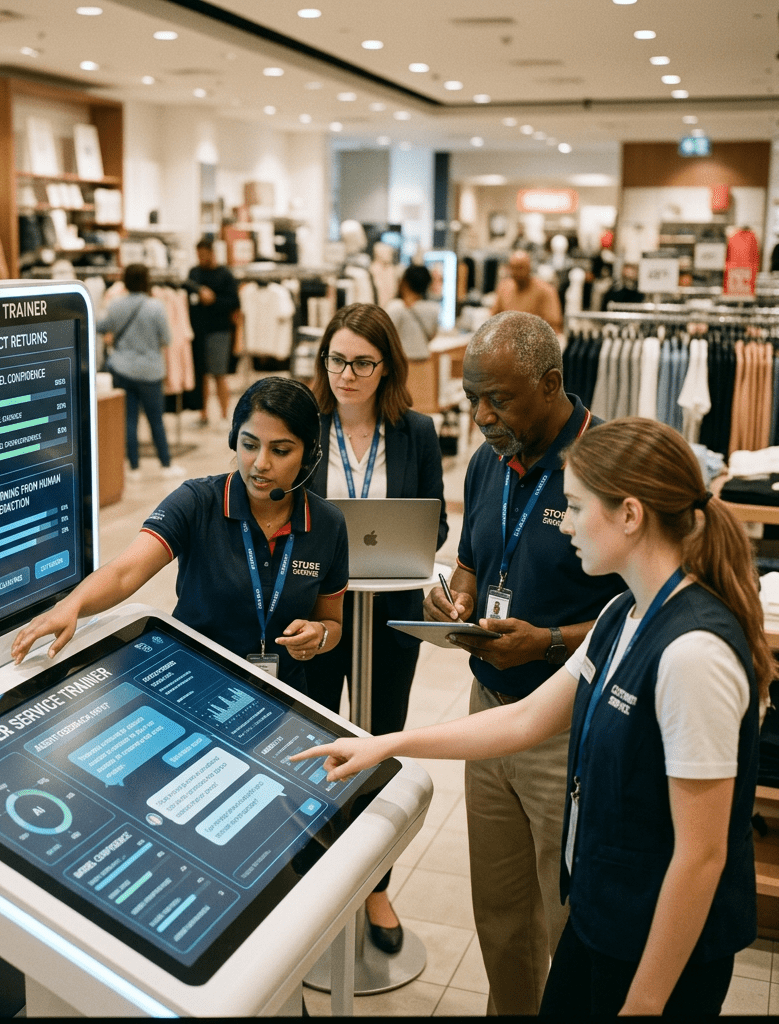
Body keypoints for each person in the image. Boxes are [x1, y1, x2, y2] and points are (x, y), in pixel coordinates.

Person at [294, 416, 769, 1016]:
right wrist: (387, 744)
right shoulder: (623, 614)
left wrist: (645, 1004)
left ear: (630, 514)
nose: (564, 523)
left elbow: (702, 856)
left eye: (574, 506)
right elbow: (522, 721)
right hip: (602, 914)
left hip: (658, 949)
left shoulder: (695, 654)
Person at [426, 310, 624, 1014]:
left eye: (498, 398)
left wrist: (545, 642)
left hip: (568, 728)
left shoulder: (606, 464)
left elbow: (637, 614)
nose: (481, 415)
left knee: (567, 914)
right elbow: (478, 557)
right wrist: (462, 597)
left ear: (550, 384)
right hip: (490, 711)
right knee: (501, 912)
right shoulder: (487, 460)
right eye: (472, 397)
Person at [12, 377, 348, 692]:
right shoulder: (197, 501)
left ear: (308, 457)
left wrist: (319, 636)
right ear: (234, 440)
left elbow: (332, 624)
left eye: (280, 450)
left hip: (280, 696)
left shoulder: (328, 524)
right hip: (191, 685)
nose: (260, 463)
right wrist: (73, 605)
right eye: (249, 445)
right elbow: (125, 571)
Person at [305, 302, 448, 955]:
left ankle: (376, 885)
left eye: (363, 362)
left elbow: (437, 524)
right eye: (338, 360)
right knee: (307, 730)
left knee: (381, 731)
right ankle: (307, 872)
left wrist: (410, 546)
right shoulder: (304, 426)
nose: (348, 374)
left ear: (387, 365)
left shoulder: (415, 432)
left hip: (392, 602)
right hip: (317, 604)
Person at [98, 263, 183, 480]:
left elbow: (101, 326)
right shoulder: (156, 306)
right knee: (156, 419)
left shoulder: (116, 304)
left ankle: (134, 468)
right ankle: (165, 465)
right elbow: (166, 338)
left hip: (121, 368)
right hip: (150, 371)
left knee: (129, 420)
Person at [186, 238, 239, 426]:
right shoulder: (194, 273)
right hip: (198, 331)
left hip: (219, 331)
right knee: (201, 374)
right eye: (198, 255)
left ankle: (225, 415)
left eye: (203, 255)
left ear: (211, 253)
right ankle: (203, 414)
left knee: (219, 374)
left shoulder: (225, 275)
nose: (200, 258)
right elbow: (186, 289)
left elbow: (234, 303)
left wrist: (213, 299)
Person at [491, 250, 564, 333]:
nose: (515, 272)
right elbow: (494, 318)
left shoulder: (546, 290)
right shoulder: (504, 287)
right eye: (513, 267)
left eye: (520, 267)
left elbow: (554, 325)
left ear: (529, 268)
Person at [385, 264, 440, 361]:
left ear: (405, 282)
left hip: (402, 363)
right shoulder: (433, 309)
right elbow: (432, 336)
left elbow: (386, 336)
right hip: (425, 362)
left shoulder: (396, 306)